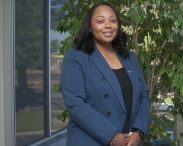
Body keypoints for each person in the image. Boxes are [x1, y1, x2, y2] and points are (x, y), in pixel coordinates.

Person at [60, 2, 151, 146]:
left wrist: (138, 132)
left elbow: (144, 97)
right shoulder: (76, 57)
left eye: (113, 20)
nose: (108, 25)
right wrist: (112, 137)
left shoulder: (130, 58)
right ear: (90, 26)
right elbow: (75, 104)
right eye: (100, 21)